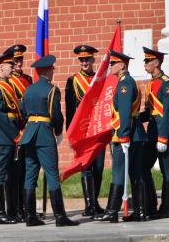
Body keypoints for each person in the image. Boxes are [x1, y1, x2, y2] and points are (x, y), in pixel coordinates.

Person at [19, 55, 79, 227]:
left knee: (30, 175)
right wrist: (58, 131)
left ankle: (30, 216)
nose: (53, 72)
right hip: (44, 134)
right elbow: (56, 114)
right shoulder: (52, 90)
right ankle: (60, 217)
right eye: (52, 69)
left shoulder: (28, 90)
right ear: (47, 70)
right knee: (52, 174)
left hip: (29, 134)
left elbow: (23, 112)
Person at [94, 50, 147, 223]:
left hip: (127, 135)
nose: (110, 66)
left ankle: (111, 211)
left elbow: (124, 112)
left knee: (118, 172)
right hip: (136, 134)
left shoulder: (125, 84)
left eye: (112, 63)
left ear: (122, 65)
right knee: (136, 174)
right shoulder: (128, 82)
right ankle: (140, 211)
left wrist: (123, 136)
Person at [65, 45, 105, 217]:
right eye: (81, 60)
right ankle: (89, 205)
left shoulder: (101, 79)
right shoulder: (73, 81)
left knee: (99, 167)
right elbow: (70, 110)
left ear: (93, 60)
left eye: (87, 59)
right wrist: (70, 135)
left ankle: (95, 202)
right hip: (82, 132)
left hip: (99, 130)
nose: (84, 63)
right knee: (86, 167)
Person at [0, 50, 24, 224]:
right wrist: (15, 134)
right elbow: (0, 114)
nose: (13, 67)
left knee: (14, 174)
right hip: (4, 136)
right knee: (0, 174)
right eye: (10, 65)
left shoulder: (8, 85)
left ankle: (13, 210)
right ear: (1, 67)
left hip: (13, 134)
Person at [142, 47, 169, 220]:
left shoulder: (167, 83)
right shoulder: (149, 84)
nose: (145, 64)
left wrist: (163, 138)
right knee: (144, 167)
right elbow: (149, 112)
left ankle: (166, 208)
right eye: (145, 61)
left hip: (164, 131)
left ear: (157, 63)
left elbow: (168, 112)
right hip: (152, 130)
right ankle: (150, 205)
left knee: (166, 170)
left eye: (147, 61)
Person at [5, 44, 33, 222]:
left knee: (25, 170)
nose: (18, 63)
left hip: (28, 129)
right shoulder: (8, 81)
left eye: (20, 59)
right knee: (13, 172)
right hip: (15, 129)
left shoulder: (28, 79)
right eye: (15, 60)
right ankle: (13, 209)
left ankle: (25, 208)